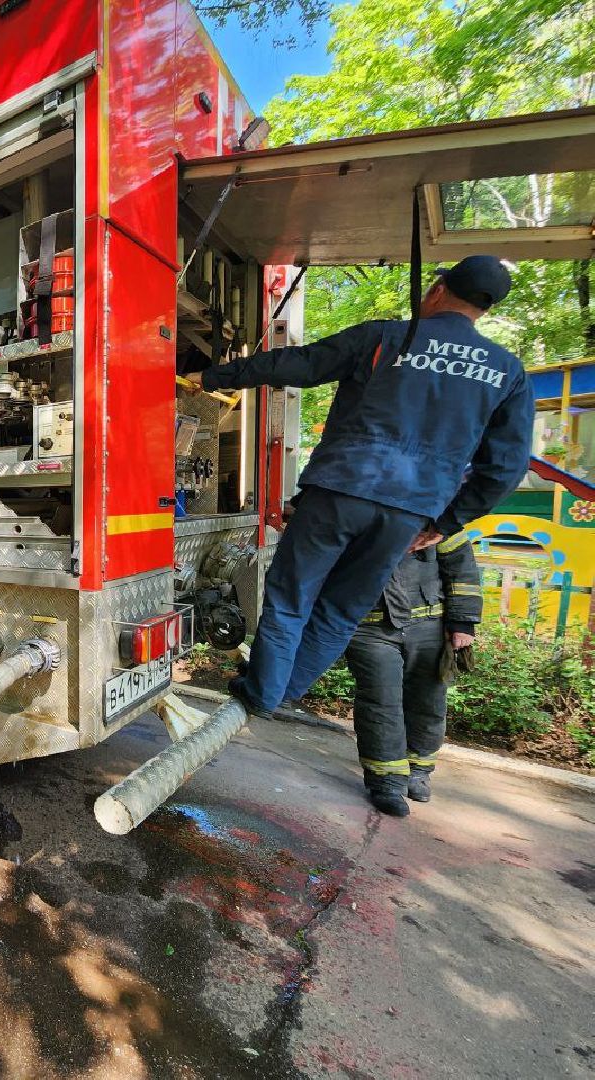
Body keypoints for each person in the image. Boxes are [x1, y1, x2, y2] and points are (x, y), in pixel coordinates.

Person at [194, 255, 533, 717]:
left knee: (291, 595)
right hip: (407, 514)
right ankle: (276, 694)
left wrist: (211, 377)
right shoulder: (507, 371)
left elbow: (300, 364)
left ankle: (263, 692)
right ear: (485, 310)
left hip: (339, 491)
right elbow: (506, 467)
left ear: (436, 290)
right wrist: (445, 521)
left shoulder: (387, 337)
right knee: (340, 612)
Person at [345, 535, 483, 817]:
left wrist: (463, 621)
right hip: (369, 629)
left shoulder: (439, 507)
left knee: (429, 701)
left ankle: (418, 770)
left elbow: (461, 564)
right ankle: (386, 782)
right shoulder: (351, 505)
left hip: (429, 624)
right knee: (380, 703)